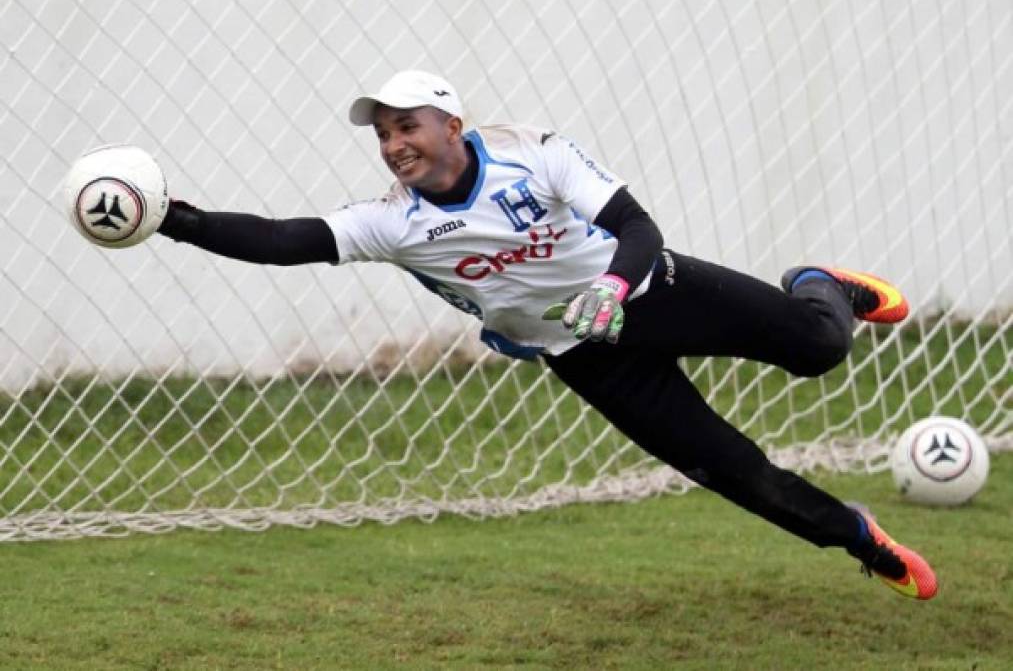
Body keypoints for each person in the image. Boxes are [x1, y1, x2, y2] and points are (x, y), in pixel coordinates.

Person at [158, 70, 937, 600]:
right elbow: (279, 238)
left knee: (819, 349)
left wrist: (610, 284)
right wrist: (173, 220)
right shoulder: (389, 221)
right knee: (733, 470)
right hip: (585, 355)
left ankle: (819, 287)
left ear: (450, 124)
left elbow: (635, 224)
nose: (394, 144)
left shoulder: (532, 152)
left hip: (652, 289)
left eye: (407, 126)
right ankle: (860, 541)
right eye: (383, 135)